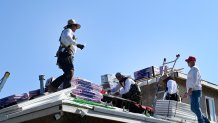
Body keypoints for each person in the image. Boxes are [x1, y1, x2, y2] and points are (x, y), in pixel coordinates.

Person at [48, 19, 85, 92]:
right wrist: (77, 44)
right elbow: (68, 37)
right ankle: (66, 90)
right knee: (70, 72)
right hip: (65, 54)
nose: (76, 29)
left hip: (64, 54)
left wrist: (76, 46)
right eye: (75, 26)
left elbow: (69, 41)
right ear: (72, 25)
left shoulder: (68, 32)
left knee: (68, 73)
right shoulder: (68, 30)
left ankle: (53, 86)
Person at [182, 56, 209, 123]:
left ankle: (201, 121)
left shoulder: (195, 69)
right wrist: (187, 92)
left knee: (195, 107)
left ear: (192, 61)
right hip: (193, 91)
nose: (187, 63)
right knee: (193, 108)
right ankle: (205, 120)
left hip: (195, 91)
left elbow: (194, 79)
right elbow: (191, 82)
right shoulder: (192, 70)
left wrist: (190, 89)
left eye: (188, 61)